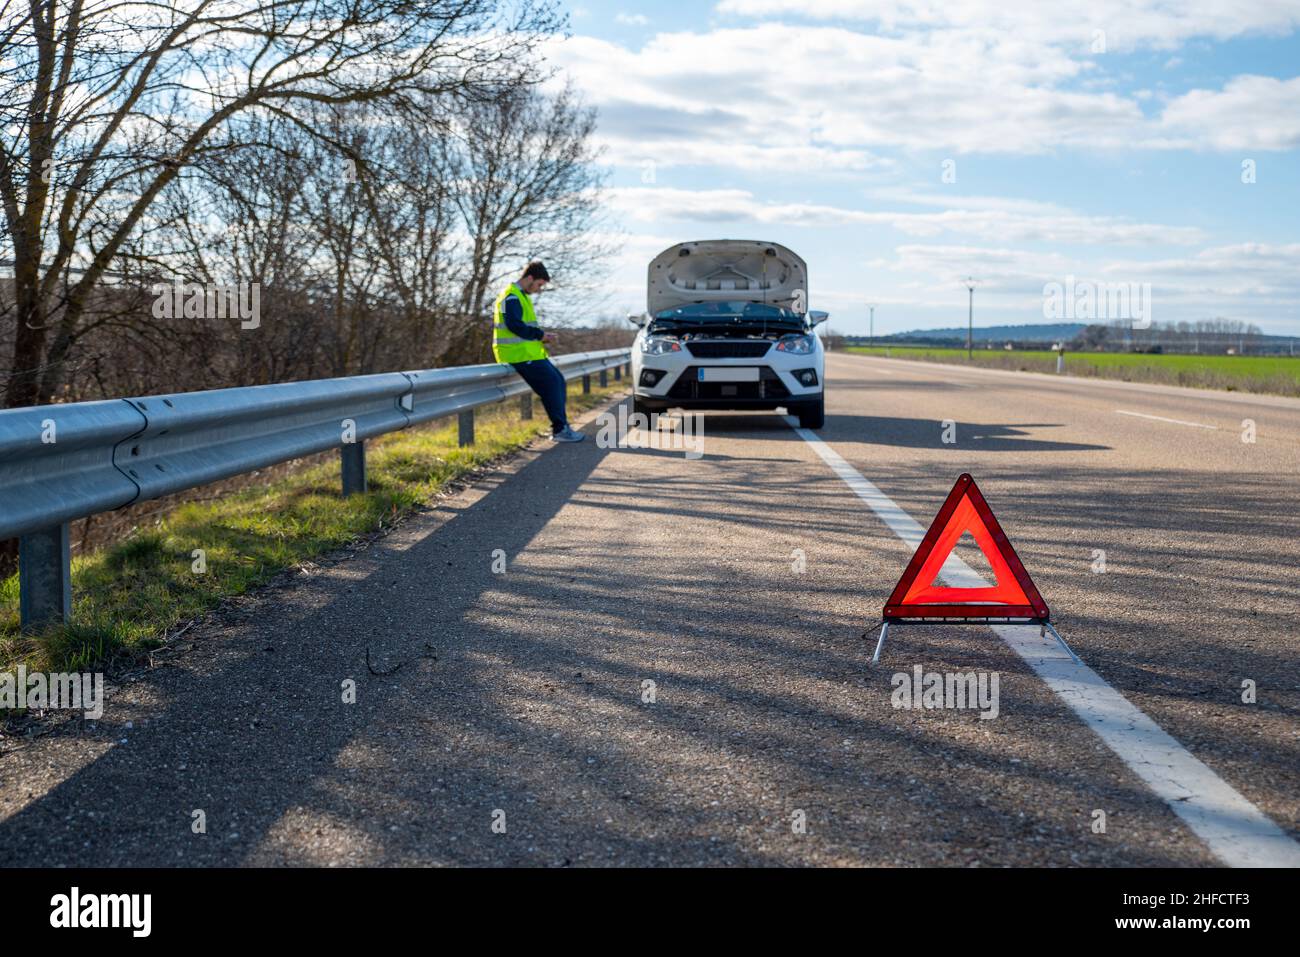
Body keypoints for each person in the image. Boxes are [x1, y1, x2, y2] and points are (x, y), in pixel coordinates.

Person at [492, 261, 586, 443]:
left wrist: (541, 335)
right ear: (529, 278)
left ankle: (562, 427)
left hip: (528, 353)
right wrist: (540, 335)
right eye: (539, 285)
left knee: (557, 381)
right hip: (517, 354)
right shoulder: (511, 296)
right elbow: (514, 325)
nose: (539, 289)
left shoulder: (520, 296)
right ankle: (560, 430)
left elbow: (523, 326)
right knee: (551, 384)